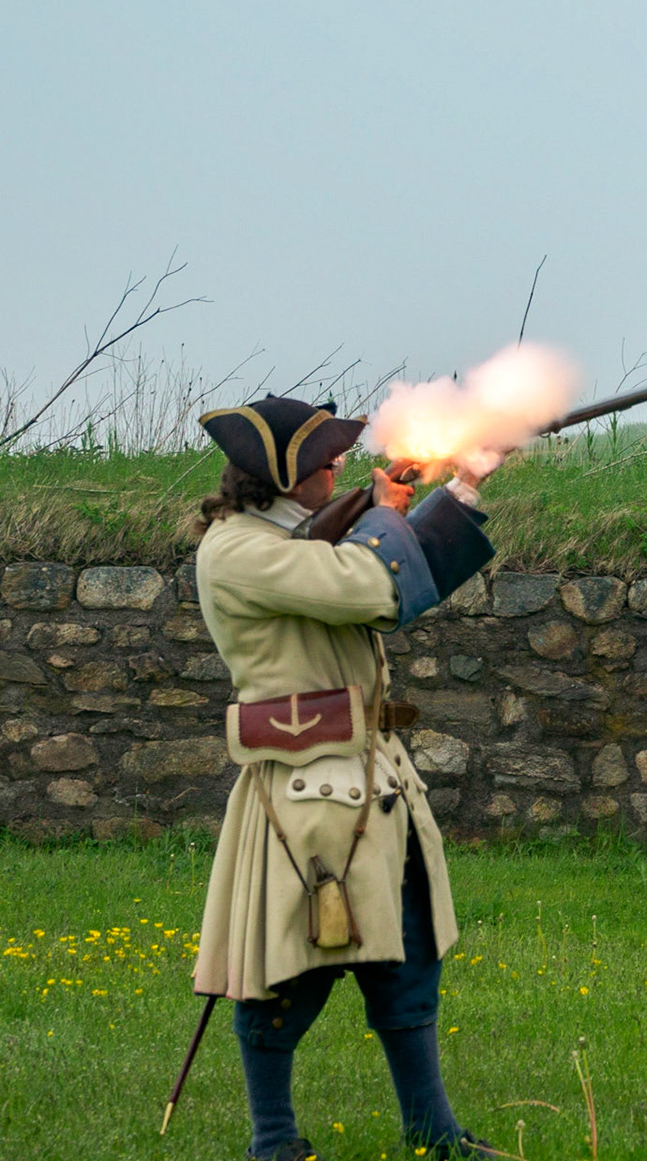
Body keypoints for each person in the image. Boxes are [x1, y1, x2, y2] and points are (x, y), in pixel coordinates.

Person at [189, 395, 500, 1161]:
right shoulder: (238, 551)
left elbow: (400, 584)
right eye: (322, 457)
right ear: (284, 474)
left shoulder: (297, 536)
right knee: (288, 972)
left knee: (409, 959)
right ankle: (273, 1143)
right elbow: (368, 587)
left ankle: (434, 1134)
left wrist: (458, 491)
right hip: (306, 791)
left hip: (374, 777)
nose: (335, 463)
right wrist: (389, 508)